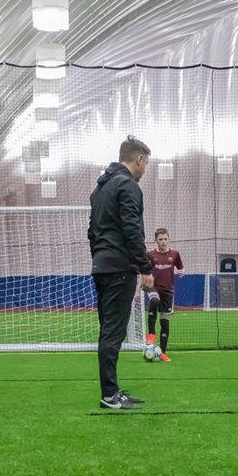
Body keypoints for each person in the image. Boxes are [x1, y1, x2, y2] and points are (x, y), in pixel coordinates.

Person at [88, 136, 154, 410]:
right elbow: (132, 229)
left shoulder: (100, 189)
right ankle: (110, 395)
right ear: (138, 159)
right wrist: (145, 267)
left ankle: (111, 390)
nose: (145, 170)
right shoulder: (128, 185)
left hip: (102, 266)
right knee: (113, 333)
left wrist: (100, 258)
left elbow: (92, 232)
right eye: (146, 164)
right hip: (119, 268)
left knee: (109, 331)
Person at [145, 228, 185, 362]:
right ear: (155, 240)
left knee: (164, 322)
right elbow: (143, 271)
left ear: (169, 239)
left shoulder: (175, 254)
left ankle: (162, 352)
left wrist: (182, 271)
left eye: (165, 239)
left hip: (168, 291)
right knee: (154, 301)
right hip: (152, 287)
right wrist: (137, 289)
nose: (163, 242)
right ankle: (151, 334)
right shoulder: (150, 254)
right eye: (160, 239)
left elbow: (181, 267)